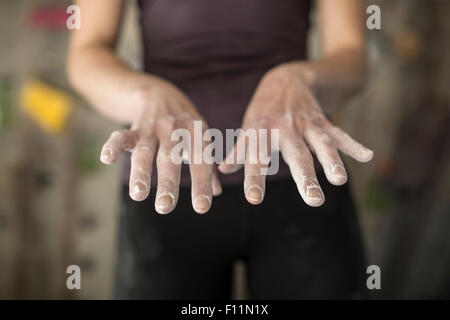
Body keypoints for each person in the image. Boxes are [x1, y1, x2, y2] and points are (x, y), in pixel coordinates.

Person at [67, 0, 374, 299]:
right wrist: (145, 95)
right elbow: (87, 52)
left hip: (298, 175)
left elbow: (350, 54)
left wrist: (302, 79)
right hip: (166, 181)